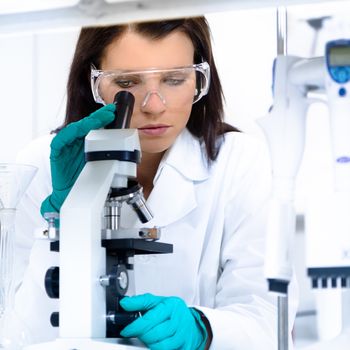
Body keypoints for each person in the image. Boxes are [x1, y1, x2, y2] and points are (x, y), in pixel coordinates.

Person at [15, 16, 297, 349]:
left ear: (199, 80)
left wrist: (204, 329)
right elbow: (19, 333)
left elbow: (268, 323)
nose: (153, 106)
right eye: (127, 84)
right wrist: (67, 221)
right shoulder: (43, 164)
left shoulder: (240, 162)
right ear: (91, 84)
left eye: (174, 79)